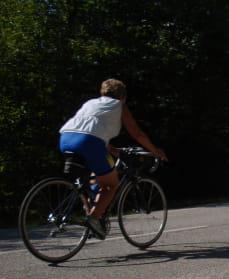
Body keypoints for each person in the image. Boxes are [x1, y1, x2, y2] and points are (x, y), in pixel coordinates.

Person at [59, 78, 168, 239]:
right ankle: (93, 219)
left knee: (95, 179)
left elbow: (96, 134)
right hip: (90, 142)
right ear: (123, 95)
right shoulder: (119, 105)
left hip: (65, 138)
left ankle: (89, 208)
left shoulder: (91, 103)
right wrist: (155, 151)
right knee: (111, 184)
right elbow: (137, 134)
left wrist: (114, 150)